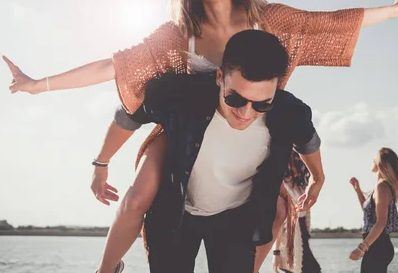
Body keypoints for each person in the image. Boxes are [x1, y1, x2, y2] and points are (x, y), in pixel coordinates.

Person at [3, 0, 398, 272]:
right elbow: (114, 66)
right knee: (138, 195)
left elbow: (330, 24)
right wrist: (39, 85)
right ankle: (106, 270)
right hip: (186, 131)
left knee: (271, 209)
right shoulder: (179, 35)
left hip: (255, 127)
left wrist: (393, 12)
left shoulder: (271, 19)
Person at [115, 29, 323, 272]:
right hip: (175, 213)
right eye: (235, 99)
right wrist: (101, 162)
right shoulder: (181, 93)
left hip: (235, 218)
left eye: (261, 104)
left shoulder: (290, 112)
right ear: (220, 77)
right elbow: (130, 113)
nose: (245, 114)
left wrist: (318, 178)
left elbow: (308, 141)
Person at [348, 148, 398, 273]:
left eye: (374, 159)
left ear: (380, 163)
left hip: (378, 246)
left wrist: (362, 247)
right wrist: (358, 191)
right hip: (377, 245)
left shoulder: (382, 186)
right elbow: (369, 213)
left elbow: (381, 222)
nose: (372, 160)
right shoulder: (380, 186)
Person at [272, 152, 321, 273]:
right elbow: (279, 222)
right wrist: (276, 254)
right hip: (291, 247)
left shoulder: (302, 187)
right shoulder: (282, 187)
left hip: (303, 242)